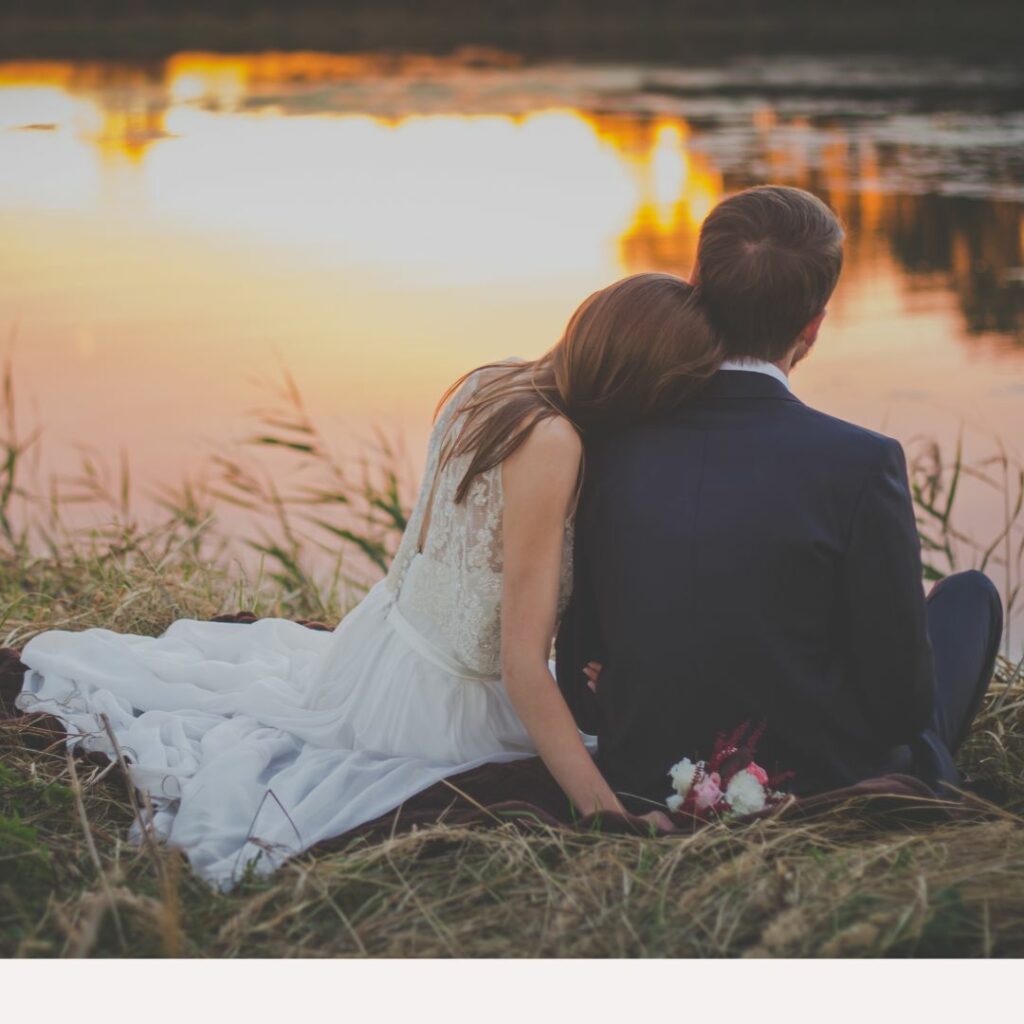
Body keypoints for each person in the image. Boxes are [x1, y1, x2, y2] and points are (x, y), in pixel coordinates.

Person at [15, 272, 719, 888]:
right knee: (604, 760)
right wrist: (604, 817)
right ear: (643, 385)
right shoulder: (554, 443)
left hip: (379, 646)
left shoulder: (496, 380)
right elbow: (519, 664)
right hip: (439, 704)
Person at [557, 185, 1003, 809]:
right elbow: (900, 707)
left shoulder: (607, 445)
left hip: (645, 771)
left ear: (696, 287)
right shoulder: (862, 462)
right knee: (970, 598)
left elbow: (578, 674)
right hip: (815, 776)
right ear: (813, 325)